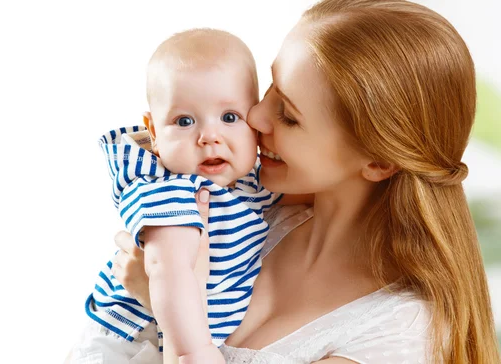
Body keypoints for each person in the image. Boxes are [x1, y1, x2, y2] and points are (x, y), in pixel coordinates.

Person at [112, 0, 501, 363]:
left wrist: (162, 300)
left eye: (288, 115)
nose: (255, 117)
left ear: (379, 162)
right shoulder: (249, 206)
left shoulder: (397, 332)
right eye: (269, 89)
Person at [66, 28, 312, 364]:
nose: (209, 136)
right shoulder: (173, 191)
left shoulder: (249, 182)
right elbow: (168, 271)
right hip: (134, 343)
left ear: (253, 122)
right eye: (184, 121)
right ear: (153, 131)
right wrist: (194, 353)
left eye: (229, 117)